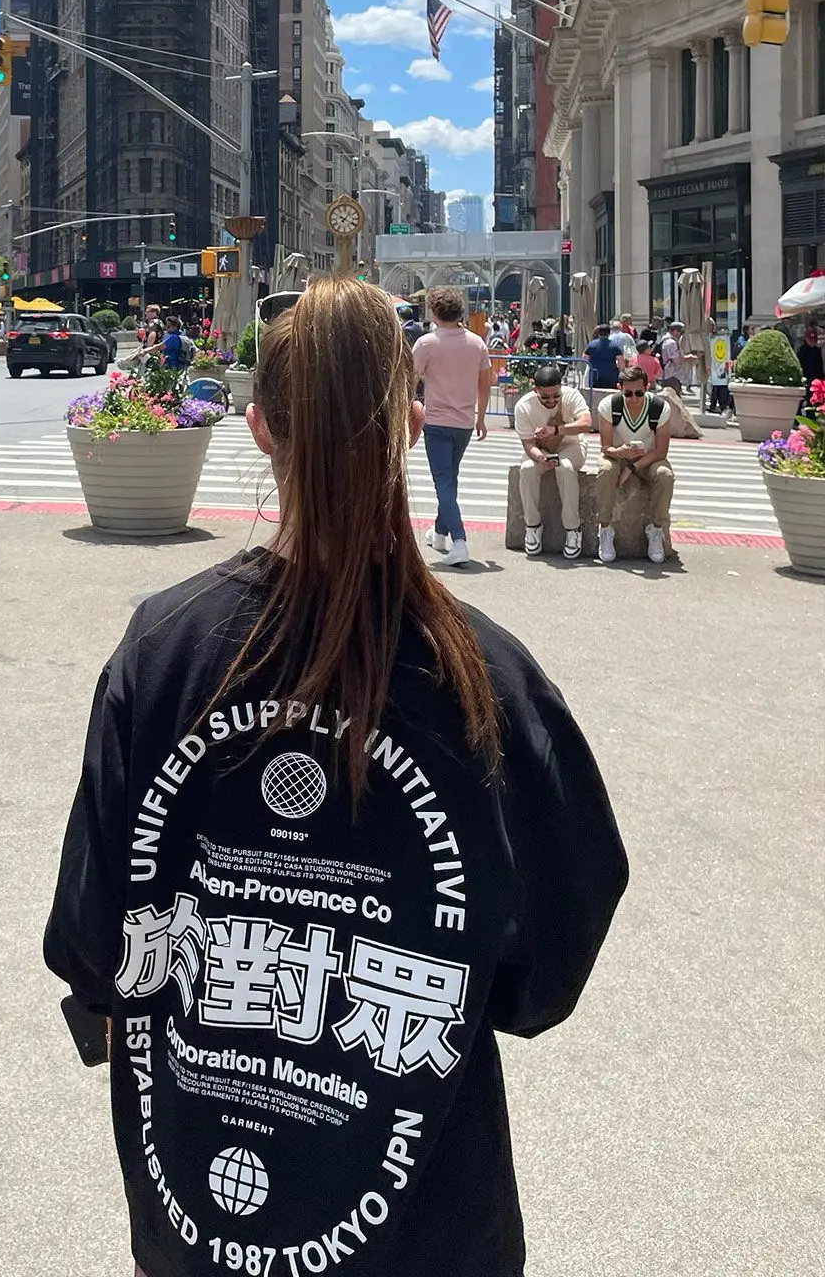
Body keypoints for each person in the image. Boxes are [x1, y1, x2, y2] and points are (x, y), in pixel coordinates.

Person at [44, 278, 629, 1277]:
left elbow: (94, 942)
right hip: (425, 1223)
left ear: (261, 424)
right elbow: (552, 953)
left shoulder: (164, 649)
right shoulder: (486, 675)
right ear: (409, 424)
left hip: (196, 1210)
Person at [412, 286, 491, 567]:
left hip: (436, 420)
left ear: (434, 311)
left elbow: (411, 378)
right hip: (464, 422)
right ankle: (441, 531)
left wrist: (406, 407)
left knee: (443, 481)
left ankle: (459, 540)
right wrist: (481, 416)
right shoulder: (477, 343)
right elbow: (485, 383)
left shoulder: (427, 343)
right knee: (449, 478)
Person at [596, 365, 675, 565]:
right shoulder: (609, 406)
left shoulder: (659, 407)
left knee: (665, 475)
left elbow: (661, 451)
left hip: (648, 458)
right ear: (619, 388)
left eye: (639, 393)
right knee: (606, 470)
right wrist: (620, 452)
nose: (633, 398)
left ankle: (656, 529)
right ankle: (605, 528)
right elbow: (605, 447)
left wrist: (632, 467)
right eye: (628, 393)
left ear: (647, 387)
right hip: (617, 455)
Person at [514, 362, 592, 560]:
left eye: (556, 395)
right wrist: (540, 457)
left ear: (561, 387)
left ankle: (573, 529)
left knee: (565, 468)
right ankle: (532, 525)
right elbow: (528, 444)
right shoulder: (524, 406)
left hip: (571, 445)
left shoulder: (572, 395)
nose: (551, 400)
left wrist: (556, 430)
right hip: (540, 450)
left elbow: (586, 423)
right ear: (535, 389)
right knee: (527, 469)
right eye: (545, 397)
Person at [584, 322, 624, 396]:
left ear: (598, 333)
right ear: (609, 333)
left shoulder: (591, 345)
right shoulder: (615, 346)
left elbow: (584, 359)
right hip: (611, 375)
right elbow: (621, 363)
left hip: (595, 375)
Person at [798, 326, 824, 407]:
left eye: (814, 339)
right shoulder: (802, 350)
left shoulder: (817, 350)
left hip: (816, 379)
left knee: (814, 401)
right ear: (806, 339)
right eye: (810, 339)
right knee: (803, 400)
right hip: (806, 379)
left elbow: (819, 366)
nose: (812, 341)